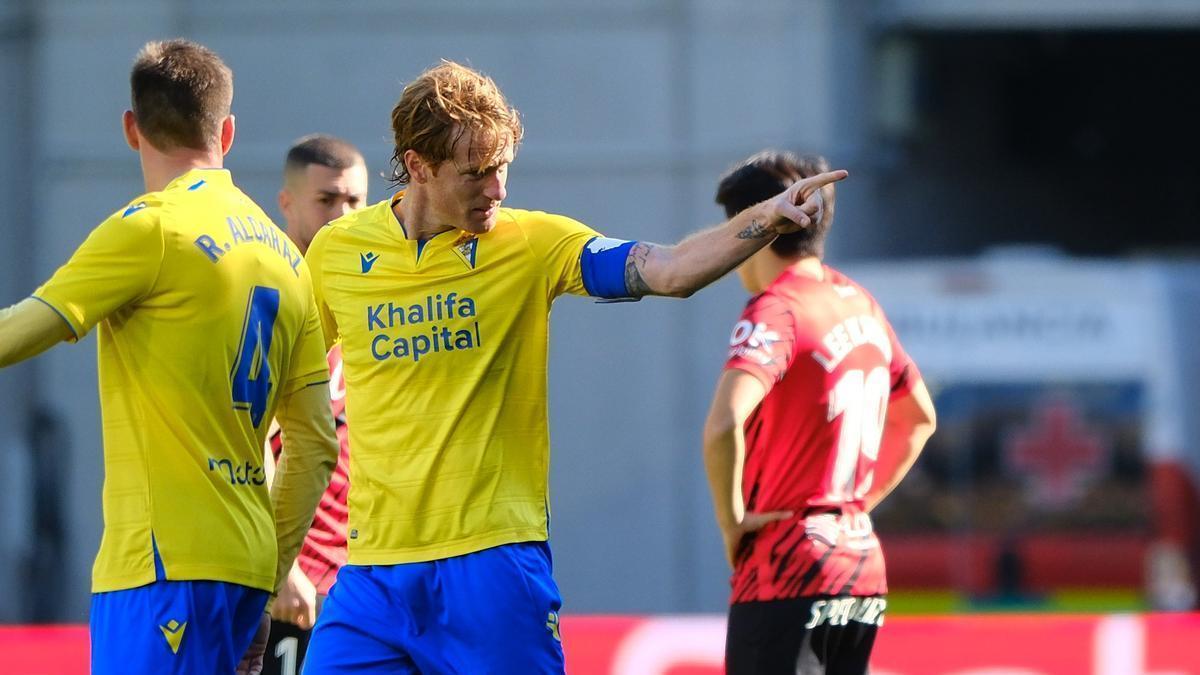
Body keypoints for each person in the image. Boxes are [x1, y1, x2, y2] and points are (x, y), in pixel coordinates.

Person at [297, 60, 846, 674]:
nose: (498, 190)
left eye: (503, 168)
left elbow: (668, 270)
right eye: (476, 173)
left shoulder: (530, 245)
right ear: (418, 166)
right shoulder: (338, 252)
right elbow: (292, 379)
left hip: (492, 565)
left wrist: (762, 220)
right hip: (371, 572)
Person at [0, 40, 339, 675]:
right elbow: (315, 446)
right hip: (243, 568)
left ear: (132, 129)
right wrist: (267, 573)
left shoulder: (149, 228)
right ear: (228, 131)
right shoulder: (287, 256)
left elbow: (17, 333)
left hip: (163, 569)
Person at [702, 150, 937, 674]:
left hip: (787, 566)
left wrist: (732, 523)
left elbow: (723, 425)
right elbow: (919, 417)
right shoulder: (860, 303)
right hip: (858, 563)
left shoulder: (777, 308)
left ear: (756, 226)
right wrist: (849, 506)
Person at [263, 134, 368, 675]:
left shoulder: (364, 301)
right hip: (289, 586)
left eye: (353, 201)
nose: (342, 214)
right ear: (287, 204)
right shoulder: (272, 298)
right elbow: (248, 437)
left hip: (360, 585)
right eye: (326, 200)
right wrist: (282, 571)